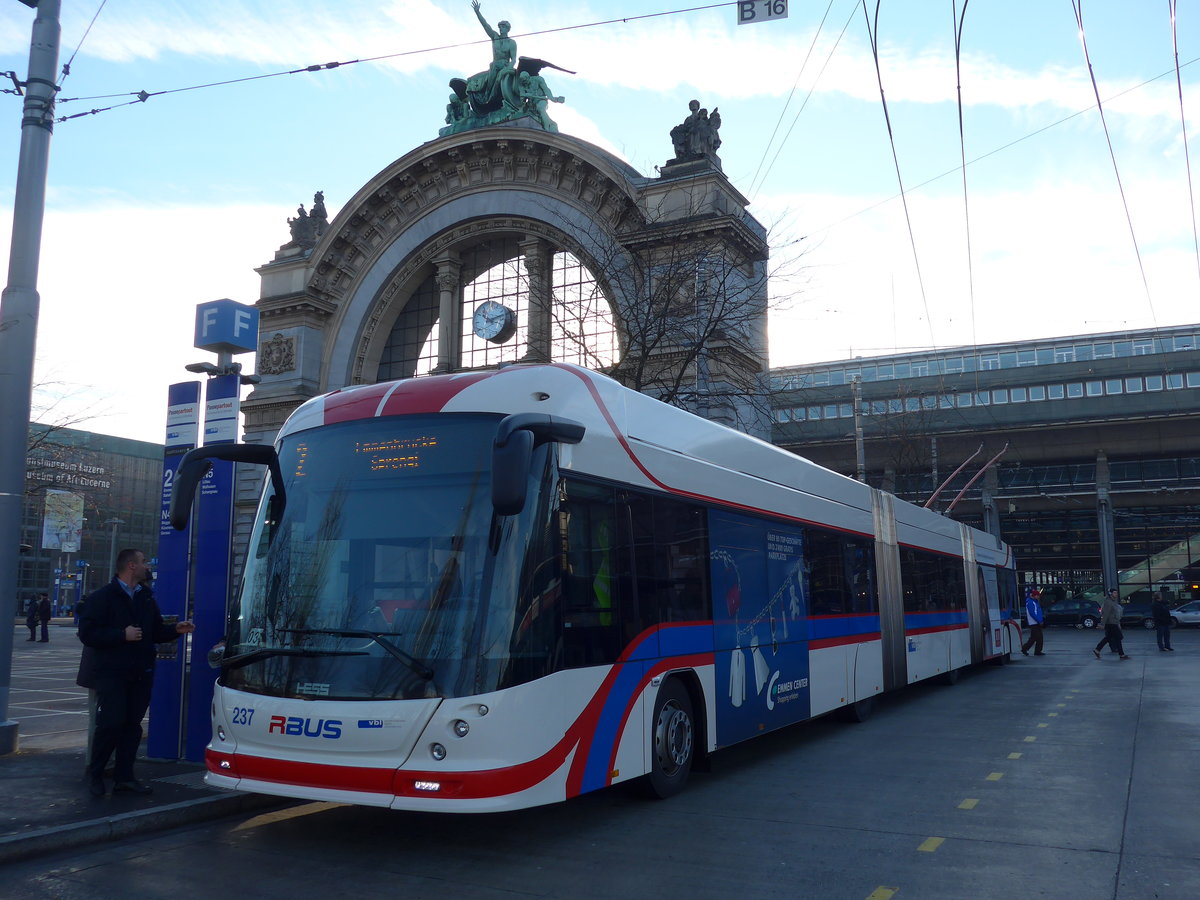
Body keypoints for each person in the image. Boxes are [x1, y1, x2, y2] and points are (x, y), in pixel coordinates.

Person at [78, 548, 195, 797]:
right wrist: (122, 635)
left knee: (132, 727)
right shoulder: (103, 597)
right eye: (143, 562)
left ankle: (125, 778)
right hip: (112, 673)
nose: (147, 566)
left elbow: (154, 631)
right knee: (110, 724)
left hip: (140, 673)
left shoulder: (146, 597)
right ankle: (96, 775)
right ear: (131, 566)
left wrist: (176, 629)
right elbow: (87, 634)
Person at [1093, 588, 1130, 660]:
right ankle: (1121, 655)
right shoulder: (1108, 602)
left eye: (1116, 593)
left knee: (1109, 637)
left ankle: (1097, 649)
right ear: (1110, 594)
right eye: (1114, 593)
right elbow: (1105, 614)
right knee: (1118, 637)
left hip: (1113, 622)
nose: (1116, 594)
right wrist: (1102, 624)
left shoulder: (1113, 601)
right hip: (1110, 623)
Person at [1021, 586, 1045, 656]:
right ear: (1034, 596)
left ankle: (1027, 649)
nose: (1038, 597)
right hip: (1034, 623)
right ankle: (1032, 650)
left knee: (1034, 637)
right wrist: (1039, 620)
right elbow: (1033, 613)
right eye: (1038, 596)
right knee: (1038, 637)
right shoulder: (1032, 603)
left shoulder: (1033, 602)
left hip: (1034, 622)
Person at [1152, 587, 1175, 652]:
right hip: (1160, 622)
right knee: (1160, 635)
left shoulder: (1162, 603)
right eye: (1160, 595)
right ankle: (1161, 647)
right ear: (1158, 597)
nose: (1162, 596)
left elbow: (1166, 602)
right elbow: (1156, 615)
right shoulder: (1155, 605)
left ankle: (1167, 646)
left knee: (1167, 635)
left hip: (1166, 621)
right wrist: (1162, 619)